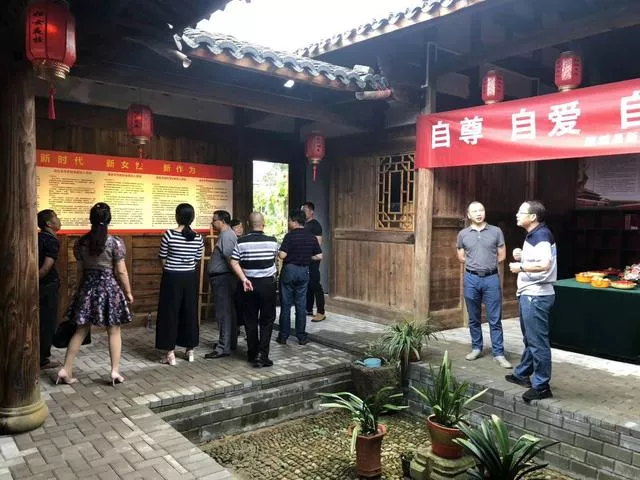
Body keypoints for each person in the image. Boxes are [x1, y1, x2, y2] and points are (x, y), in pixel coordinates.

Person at [57, 203, 133, 386]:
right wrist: (128, 292)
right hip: (109, 289)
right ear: (109, 219)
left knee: (81, 330)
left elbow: (80, 271)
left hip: (88, 288)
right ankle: (115, 371)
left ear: (90, 219)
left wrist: (78, 290)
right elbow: (121, 271)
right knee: (114, 330)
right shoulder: (114, 243)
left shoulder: (81, 243)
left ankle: (66, 369)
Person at [506, 200, 557, 402]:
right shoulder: (535, 234)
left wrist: (521, 267)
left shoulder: (541, 236)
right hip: (531, 293)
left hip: (536, 295)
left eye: (521, 212)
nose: (517, 215)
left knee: (537, 342)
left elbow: (545, 264)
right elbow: (538, 259)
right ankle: (522, 373)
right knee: (531, 338)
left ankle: (542, 385)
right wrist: (522, 256)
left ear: (533, 217)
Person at [456, 201, 511, 368]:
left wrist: (487, 264)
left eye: (481, 210)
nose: (479, 213)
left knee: (495, 318)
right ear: (468, 215)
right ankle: (476, 348)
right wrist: (476, 264)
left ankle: (499, 353)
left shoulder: (496, 231)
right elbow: (461, 256)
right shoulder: (463, 234)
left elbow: (502, 255)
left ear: (485, 212)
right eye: (475, 211)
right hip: (471, 278)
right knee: (473, 317)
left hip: (491, 278)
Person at [155, 203, 204, 365]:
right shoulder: (198, 238)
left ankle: (170, 353)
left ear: (177, 216)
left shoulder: (169, 234)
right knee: (189, 312)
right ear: (192, 218)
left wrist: (170, 268)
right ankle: (190, 350)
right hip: (189, 277)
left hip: (171, 277)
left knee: (169, 313)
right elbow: (196, 260)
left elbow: (162, 257)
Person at [229, 212, 278, 367]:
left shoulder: (241, 242)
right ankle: (262, 355)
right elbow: (275, 259)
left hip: (248, 285)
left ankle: (252, 353)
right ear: (263, 223)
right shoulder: (272, 241)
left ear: (249, 224)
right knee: (267, 320)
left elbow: (233, 262)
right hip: (267, 284)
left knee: (250, 319)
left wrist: (244, 279)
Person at [277, 210, 322, 345]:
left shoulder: (289, 236)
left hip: (289, 271)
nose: (288, 222)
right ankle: (301, 336)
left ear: (295, 221)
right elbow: (319, 256)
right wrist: (307, 257)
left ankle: (283, 336)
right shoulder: (311, 237)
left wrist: (280, 252)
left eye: (289, 220)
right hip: (303, 272)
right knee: (301, 306)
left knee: (286, 305)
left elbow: (282, 255)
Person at [205, 210, 238, 359]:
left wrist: (237, 276)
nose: (212, 223)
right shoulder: (226, 234)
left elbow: (231, 259)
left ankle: (223, 347)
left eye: (214, 220)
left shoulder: (227, 235)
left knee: (223, 314)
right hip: (222, 278)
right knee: (228, 312)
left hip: (224, 279)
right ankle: (228, 343)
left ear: (222, 221)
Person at [38, 209, 62, 370]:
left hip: (41, 286)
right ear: (49, 224)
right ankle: (43, 359)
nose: (59, 220)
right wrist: (33, 280)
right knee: (47, 322)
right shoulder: (51, 240)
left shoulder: (39, 237)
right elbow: (46, 267)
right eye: (56, 218)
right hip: (47, 286)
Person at [302, 202, 326, 322]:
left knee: (315, 284)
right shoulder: (304, 224)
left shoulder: (315, 225)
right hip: (305, 259)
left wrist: (310, 255)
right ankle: (308, 309)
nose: (303, 212)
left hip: (313, 259)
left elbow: (319, 243)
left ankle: (321, 312)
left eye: (305, 210)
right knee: (308, 284)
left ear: (311, 211)